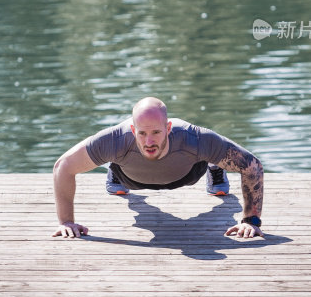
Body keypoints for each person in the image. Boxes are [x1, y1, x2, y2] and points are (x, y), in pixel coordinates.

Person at [52, 96, 264, 240]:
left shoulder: (194, 137)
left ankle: (215, 167)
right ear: (133, 130)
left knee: (213, 151)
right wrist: (66, 222)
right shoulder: (114, 139)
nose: (149, 141)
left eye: (156, 132)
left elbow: (252, 166)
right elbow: (63, 167)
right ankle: (114, 170)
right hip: (130, 177)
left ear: (168, 128)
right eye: (142, 134)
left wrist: (251, 221)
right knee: (131, 194)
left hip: (187, 173)